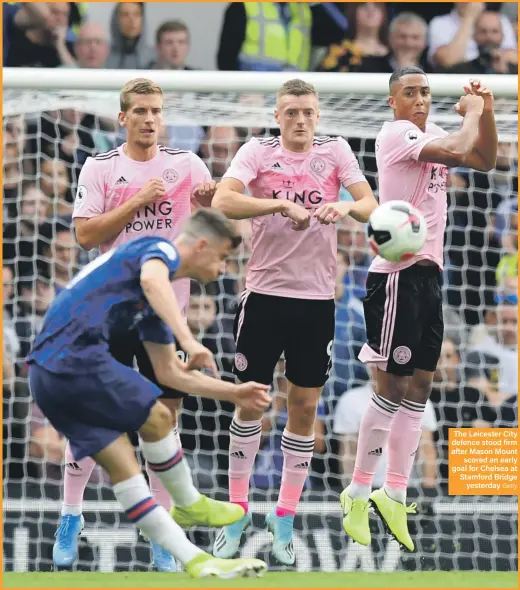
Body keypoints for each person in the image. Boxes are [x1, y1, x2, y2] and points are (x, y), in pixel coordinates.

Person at [27, 209, 269, 580]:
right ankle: (187, 502)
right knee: (158, 417)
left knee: (127, 468)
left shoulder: (150, 309)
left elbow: (171, 372)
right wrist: (189, 338)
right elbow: (155, 281)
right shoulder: (156, 251)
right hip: (72, 358)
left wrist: (234, 392)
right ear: (201, 245)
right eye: (223, 257)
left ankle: (197, 560)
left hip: (48, 378)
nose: (223, 269)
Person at [211, 78, 377, 564]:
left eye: (307, 111)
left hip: (316, 300)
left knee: (304, 407)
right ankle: (236, 511)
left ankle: (283, 515)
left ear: (317, 114)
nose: (300, 119)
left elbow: (370, 204)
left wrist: (345, 205)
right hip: (263, 296)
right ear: (277, 114)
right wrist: (280, 204)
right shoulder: (257, 152)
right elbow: (223, 200)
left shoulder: (337, 150)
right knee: (251, 403)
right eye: (291, 112)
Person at [56, 77, 217, 572]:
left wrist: (211, 205)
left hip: (165, 315)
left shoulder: (187, 166)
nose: (150, 119)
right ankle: (70, 516)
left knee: (162, 423)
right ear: (122, 118)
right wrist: (136, 202)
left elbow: (209, 231)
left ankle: (162, 539)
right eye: (141, 111)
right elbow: (85, 236)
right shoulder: (101, 167)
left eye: (157, 111)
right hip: (108, 311)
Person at [340, 67, 497, 552]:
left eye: (426, 91)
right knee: (391, 388)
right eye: (410, 92)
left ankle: (395, 492)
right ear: (393, 101)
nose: (421, 99)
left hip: (429, 275)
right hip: (396, 277)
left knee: (422, 387)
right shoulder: (396, 134)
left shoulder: (429, 134)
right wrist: (470, 113)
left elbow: (485, 160)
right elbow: (456, 150)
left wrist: (485, 113)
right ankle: (358, 489)